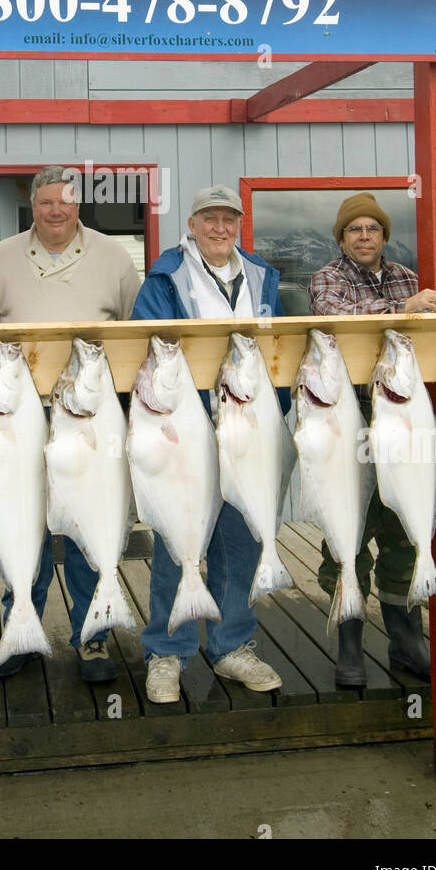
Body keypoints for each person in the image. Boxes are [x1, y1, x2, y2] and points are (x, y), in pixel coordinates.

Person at [0, 164, 142, 682]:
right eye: (46, 202)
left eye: (65, 203)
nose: (56, 211)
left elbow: (133, 330)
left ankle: (91, 639)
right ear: (33, 205)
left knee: (85, 518)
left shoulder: (114, 257)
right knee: (18, 518)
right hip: (17, 416)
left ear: (79, 206)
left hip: (90, 415)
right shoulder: (1, 258)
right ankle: (19, 630)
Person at [131, 184, 288, 703]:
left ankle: (232, 647)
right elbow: (148, 339)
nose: (220, 228)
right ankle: (166, 652)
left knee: (239, 542)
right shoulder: (165, 275)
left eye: (229, 219)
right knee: (181, 541)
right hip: (187, 428)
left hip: (246, 428)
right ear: (193, 224)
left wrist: (275, 409)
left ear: (238, 224)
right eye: (209, 219)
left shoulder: (263, 274)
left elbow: (280, 347)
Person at [308, 191, 436, 686]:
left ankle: (406, 643)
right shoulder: (326, 277)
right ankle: (349, 646)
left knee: (400, 529)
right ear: (342, 238)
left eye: (372, 228)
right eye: (354, 230)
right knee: (347, 526)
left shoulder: (405, 275)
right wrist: (405, 306)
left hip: (403, 417)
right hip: (346, 419)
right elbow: (337, 316)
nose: (364, 236)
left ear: (384, 236)